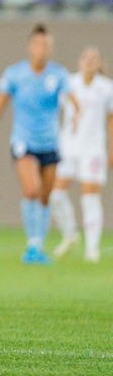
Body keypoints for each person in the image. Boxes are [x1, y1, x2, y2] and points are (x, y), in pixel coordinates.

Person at [0, 24, 78, 265]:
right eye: (39, 44)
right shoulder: (15, 74)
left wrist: (76, 114)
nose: (43, 49)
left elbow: (72, 100)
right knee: (32, 190)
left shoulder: (58, 74)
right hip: (23, 142)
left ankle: (38, 245)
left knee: (46, 197)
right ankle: (32, 246)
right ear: (30, 46)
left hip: (49, 143)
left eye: (47, 45)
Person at [50, 47, 112, 263]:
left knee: (90, 197)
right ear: (79, 61)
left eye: (94, 59)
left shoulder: (106, 88)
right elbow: (54, 111)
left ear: (99, 63)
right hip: (68, 147)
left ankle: (92, 248)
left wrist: (112, 148)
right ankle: (70, 233)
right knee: (55, 195)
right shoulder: (68, 83)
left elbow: (111, 120)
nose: (89, 62)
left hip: (93, 149)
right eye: (85, 57)